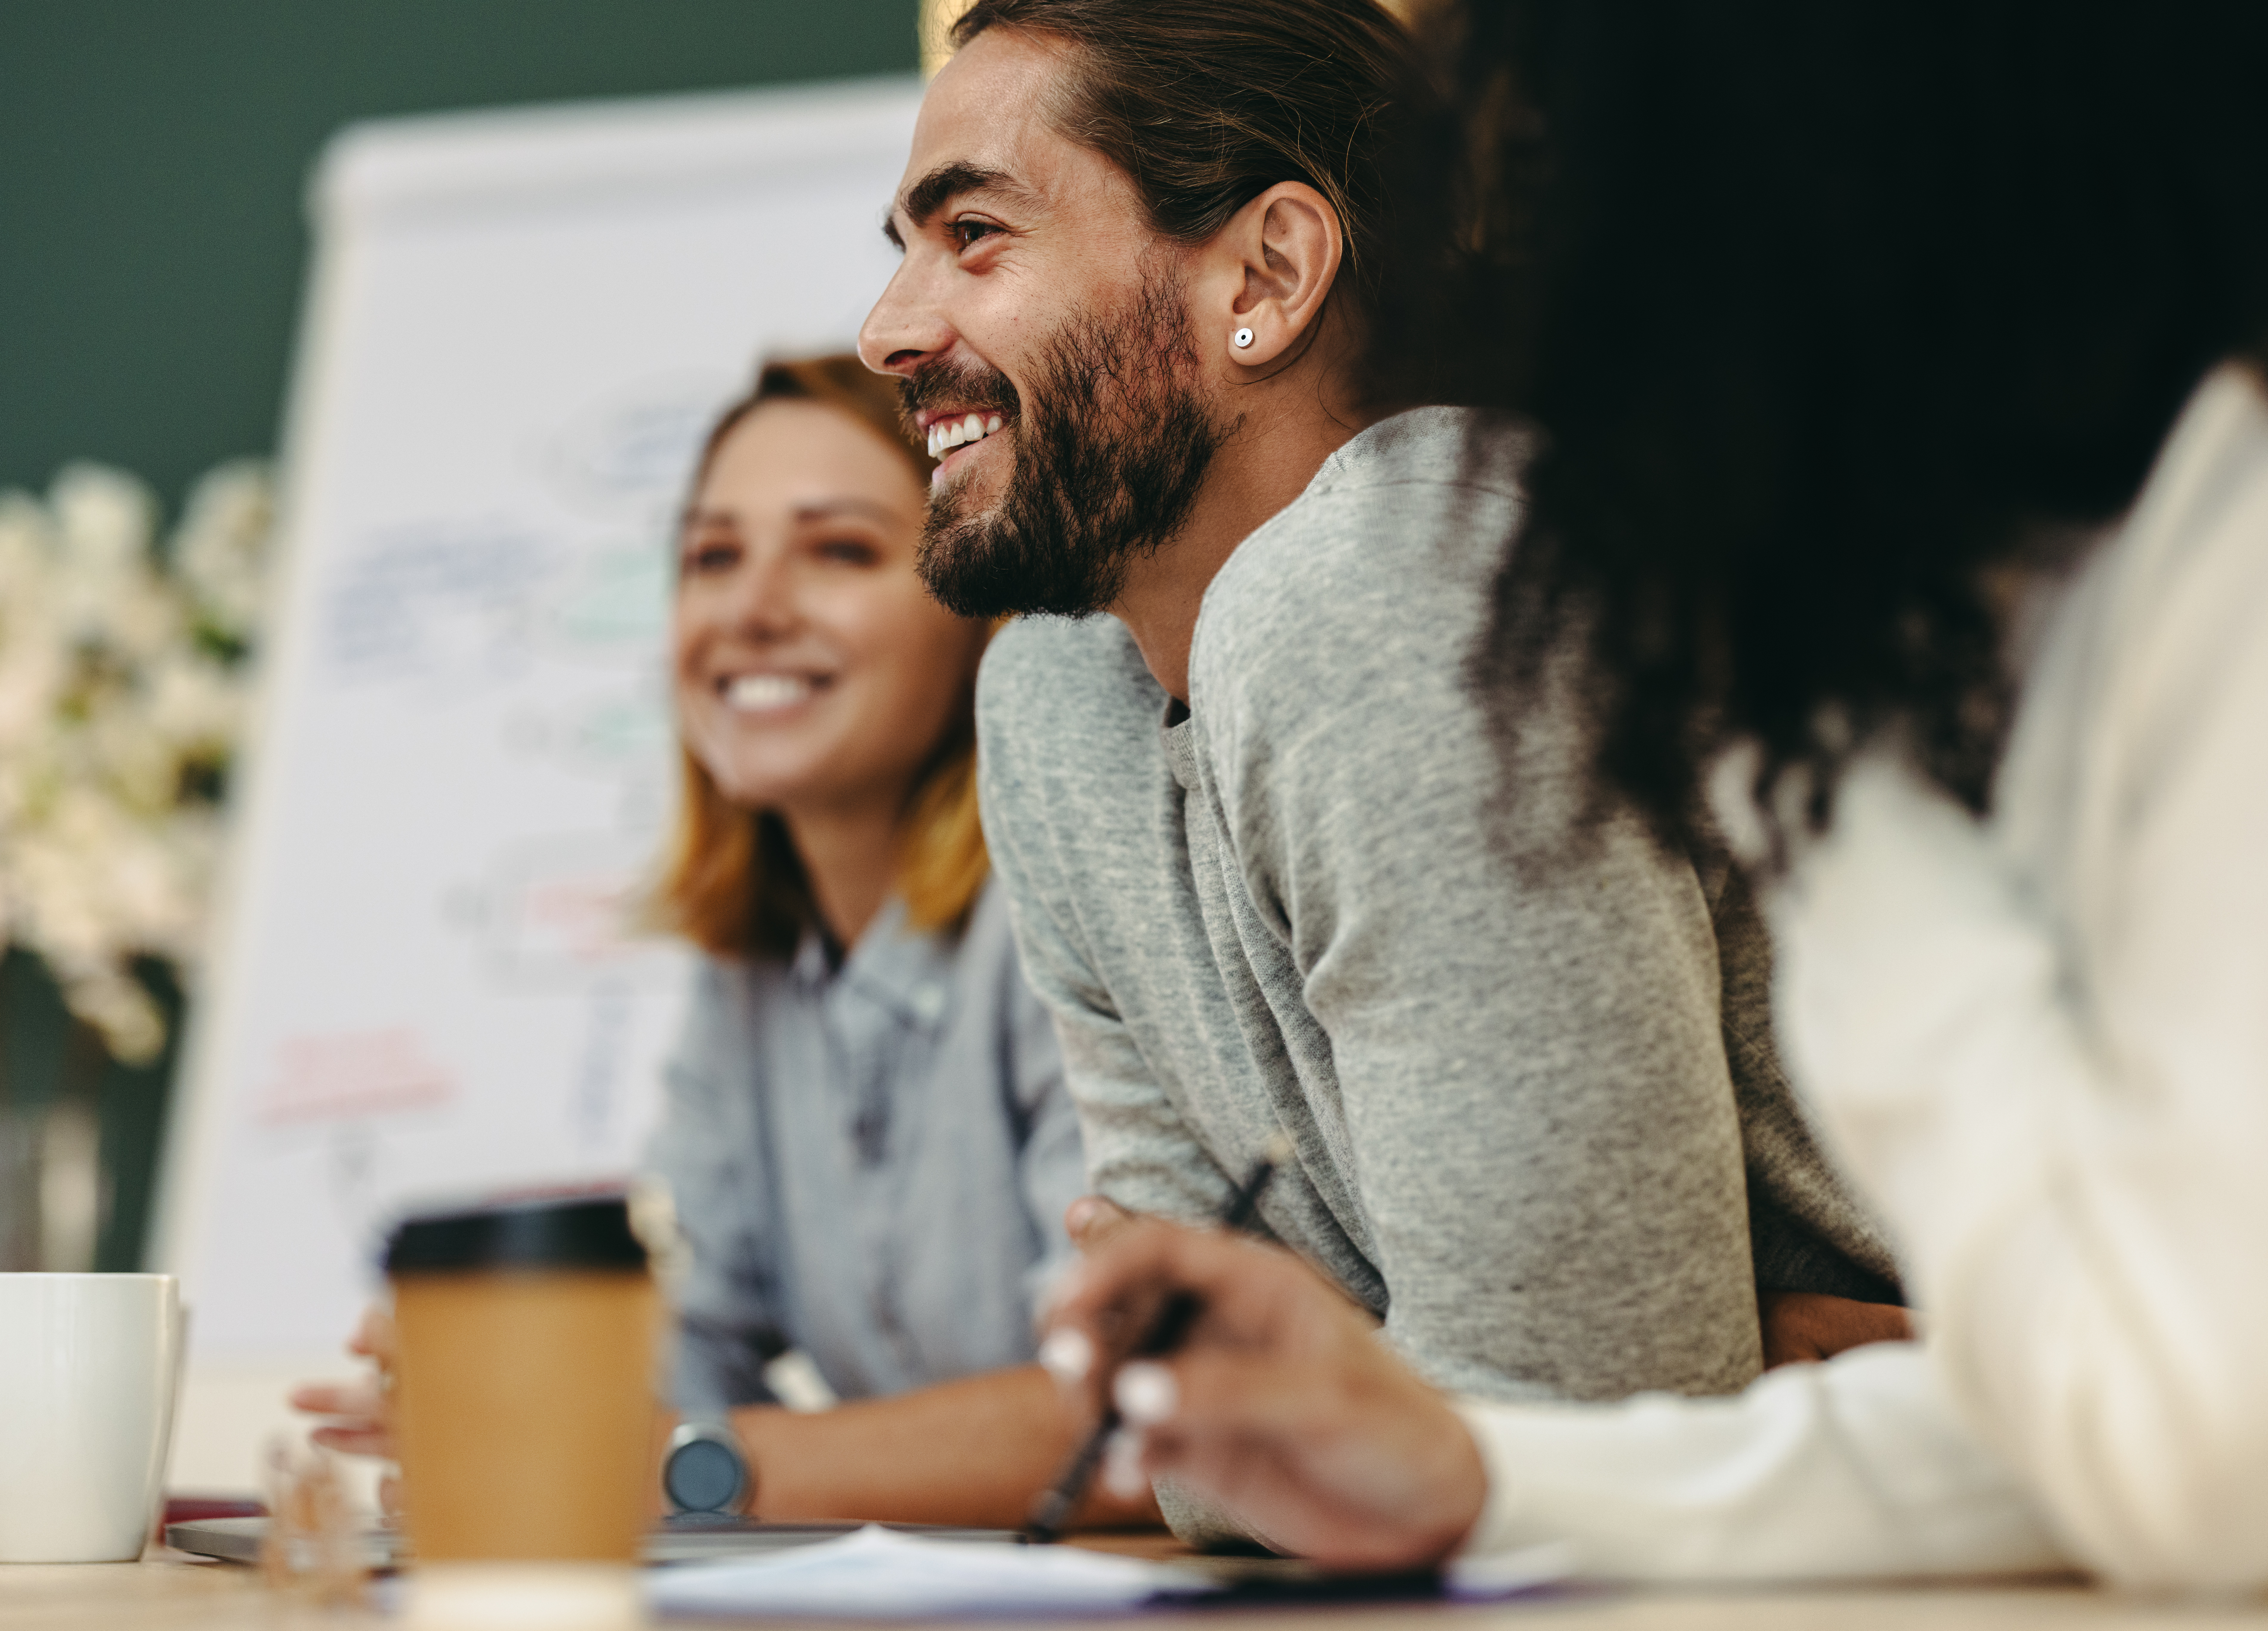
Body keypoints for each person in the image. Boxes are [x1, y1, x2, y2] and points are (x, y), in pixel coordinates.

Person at [1040, 0, 2268, 1592]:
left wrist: (1841, 790)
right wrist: (1478, 1469)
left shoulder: (2210, 536)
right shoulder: (2038, 578)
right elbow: (2117, 1411)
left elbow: (2200, 1452)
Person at [859, 0, 1899, 1545]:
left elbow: (1580, 1433)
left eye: (977, 234)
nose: (887, 327)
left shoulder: (1405, 574)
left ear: (1265, 276)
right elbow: (1192, 1429)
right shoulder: (1055, 700)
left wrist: (1386, 1400)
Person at [295, 356, 1158, 1531]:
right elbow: (685, 1349)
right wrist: (525, 1394)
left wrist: (683, 1463)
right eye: (711, 556)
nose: (749, 609)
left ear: (980, 610)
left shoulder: (1070, 913)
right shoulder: (755, 971)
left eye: (840, 550)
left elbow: (1141, 1411)